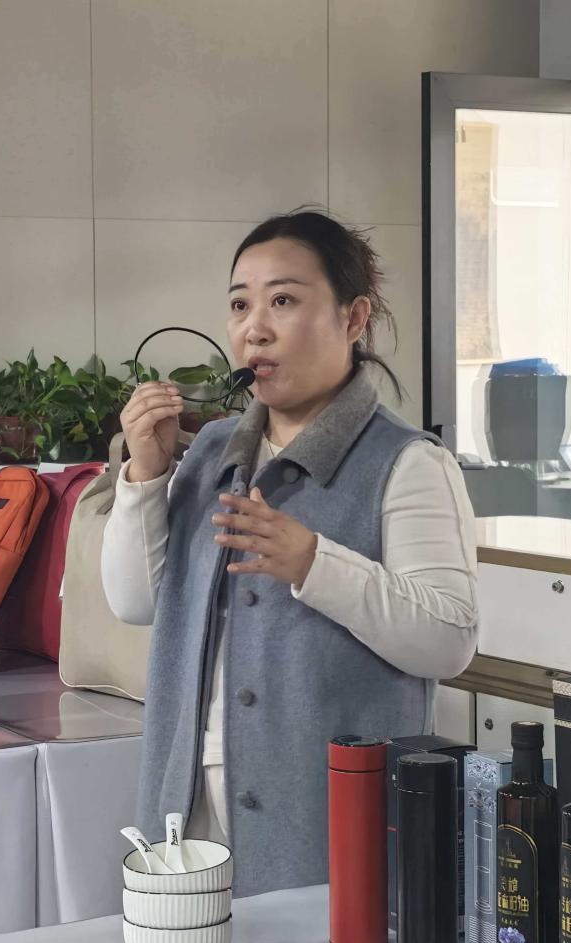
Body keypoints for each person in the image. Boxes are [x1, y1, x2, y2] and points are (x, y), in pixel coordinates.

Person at [102, 209, 478, 898]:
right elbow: (135, 601)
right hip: (184, 808)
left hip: (327, 823)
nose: (255, 328)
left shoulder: (408, 462)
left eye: (283, 301)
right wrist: (144, 477)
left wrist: (313, 563)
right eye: (240, 305)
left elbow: (449, 641)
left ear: (354, 317)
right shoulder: (211, 451)